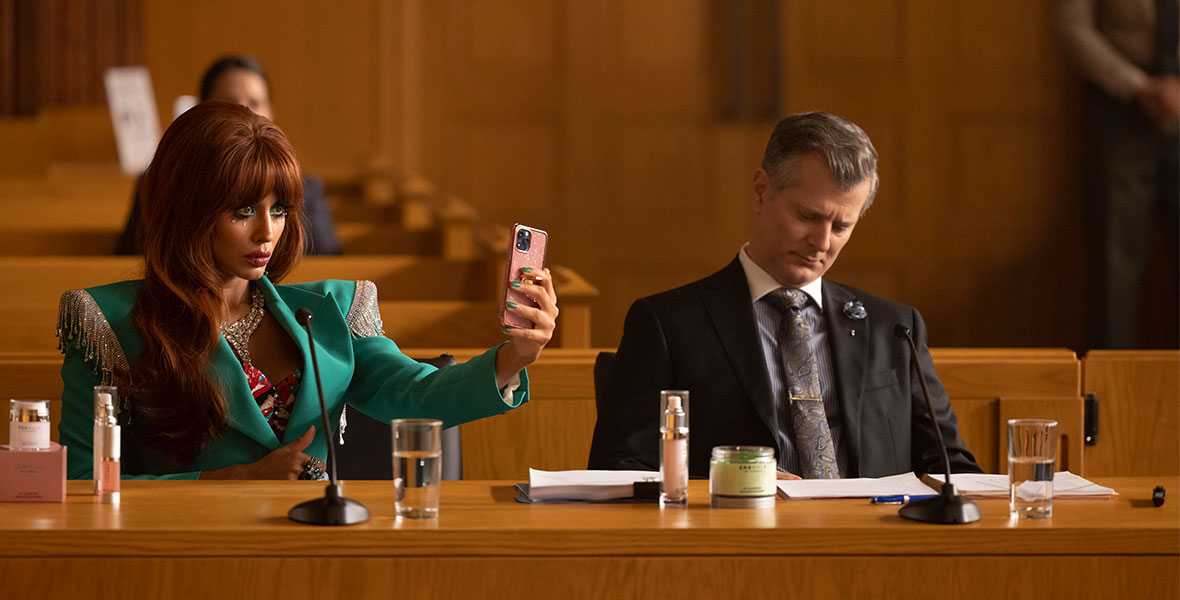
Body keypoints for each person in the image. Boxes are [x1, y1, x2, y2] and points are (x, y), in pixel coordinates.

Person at [60, 101, 559, 479]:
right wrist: (236, 480)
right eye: (242, 211)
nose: (267, 232)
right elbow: (84, 487)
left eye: (278, 210)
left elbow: (414, 394)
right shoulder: (108, 322)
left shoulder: (333, 310)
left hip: (316, 550)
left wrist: (515, 356)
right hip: (185, 560)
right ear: (186, 210)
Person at [588, 112, 981, 479]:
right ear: (761, 192)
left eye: (842, 226)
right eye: (808, 216)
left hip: (872, 542)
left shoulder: (895, 328)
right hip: (737, 542)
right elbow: (617, 469)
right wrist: (730, 482)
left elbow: (951, 468)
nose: (822, 242)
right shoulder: (668, 324)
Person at [116, 54, 342, 256]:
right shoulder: (160, 181)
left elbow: (328, 266)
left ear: (271, 112)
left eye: (255, 102)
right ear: (202, 110)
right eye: (229, 102)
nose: (244, 111)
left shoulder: (305, 188)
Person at [1056, 0, 1179, 349]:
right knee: (1114, 268)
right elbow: (1071, 25)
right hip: (1120, 104)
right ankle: (1109, 395)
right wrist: (1138, 86)